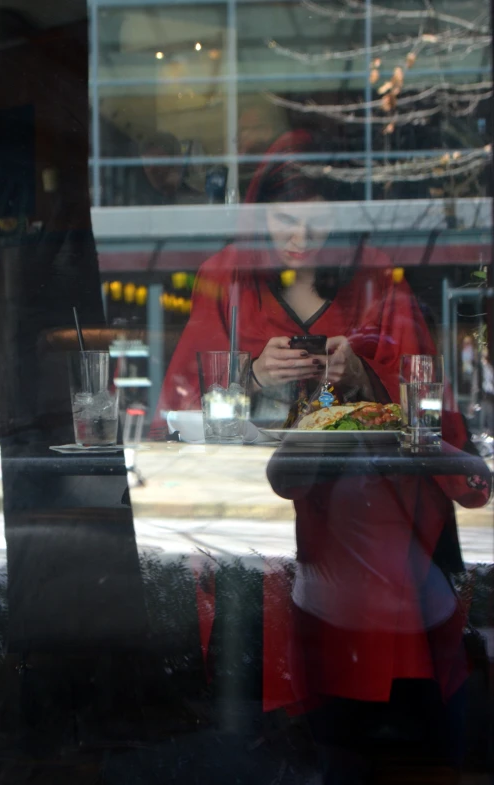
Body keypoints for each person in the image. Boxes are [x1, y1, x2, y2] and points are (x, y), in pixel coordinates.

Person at [152, 130, 490, 780]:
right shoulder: (226, 276)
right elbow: (178, 410)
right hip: (256, 537)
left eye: (316, 218)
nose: (300, 235)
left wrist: (366, 381)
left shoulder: (377, 276)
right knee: (264, 725)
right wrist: (249, 375)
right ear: (260, 213)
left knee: (363, 737)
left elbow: (433, 419)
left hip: (367, 546)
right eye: (284, 218)